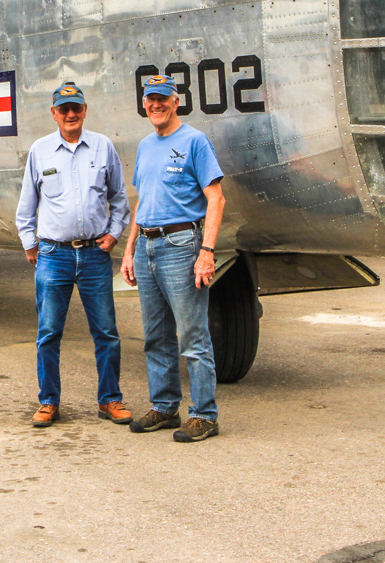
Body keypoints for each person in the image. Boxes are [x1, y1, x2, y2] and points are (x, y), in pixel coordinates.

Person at [15, 81, 131, 428]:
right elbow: (26, 206)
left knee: (106, 332)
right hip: (54, 255)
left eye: (75, 108)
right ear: (54, 113)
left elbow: (120, 199)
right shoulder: (40, 151)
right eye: (63, 109)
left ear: (84, 111)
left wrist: (112, 236)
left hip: (95, 255)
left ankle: (110, 399)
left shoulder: (103, 147)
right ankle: (49, 401)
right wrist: (30, 244)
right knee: (49, 332)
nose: (69, 114)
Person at [120, 74, 227, 443]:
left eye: (162, 98)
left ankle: (204, 415)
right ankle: (165, 407)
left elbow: (216, 198)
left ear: (175, 101)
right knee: (155, 335)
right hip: (148, 245)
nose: (156, 105)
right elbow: (142, 201)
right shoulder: (146, 145)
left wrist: (207, 252)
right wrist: (129, 249)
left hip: (182, 245)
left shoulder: (195, 141)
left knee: (192, 336)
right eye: (150, 99)